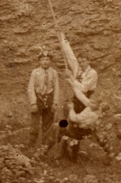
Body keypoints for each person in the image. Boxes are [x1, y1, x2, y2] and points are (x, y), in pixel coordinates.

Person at [58, 34, 112, 162]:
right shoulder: (78, 69)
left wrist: (71, 78)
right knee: (68, 125)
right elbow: (69, 53)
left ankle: (109, 152)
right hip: (76, 101)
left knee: (86, 128)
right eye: (80, 61)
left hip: (87, 103)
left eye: (84, 61)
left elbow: (83, 88)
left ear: (89, 61)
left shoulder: (93, 73)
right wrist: (61, 36)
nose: (81, 63)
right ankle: (67, 153)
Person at [27, 53, 60, 151]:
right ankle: (31, 145)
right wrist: (33, 102)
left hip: (49, 99)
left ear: (50, 61)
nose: (45, 62)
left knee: (48, 125)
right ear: (39, 62)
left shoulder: (54, 73)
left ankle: (44, 148)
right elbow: (30, 88)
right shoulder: (35, 72)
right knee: (34, 124)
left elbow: (57, 88)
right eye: (42, 60)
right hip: (38, 99)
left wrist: (55, 102)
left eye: (47, 59)